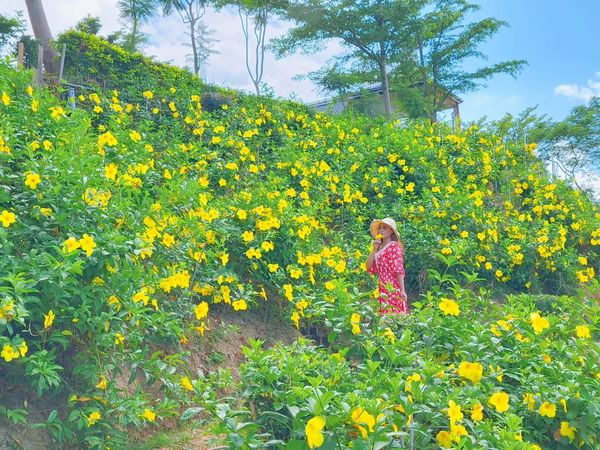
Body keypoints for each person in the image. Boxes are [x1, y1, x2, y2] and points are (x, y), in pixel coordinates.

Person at [365, 217, 409, 315]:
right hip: (382, 285)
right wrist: (374, 249)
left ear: (391, 231)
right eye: (380, 228)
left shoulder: (393, 246)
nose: (381, 230)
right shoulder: (379, 248)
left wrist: (402, 290)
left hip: (392, 285)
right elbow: (368, 267)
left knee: (394, 313)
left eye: (384, 228)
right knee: (385, 314)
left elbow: (398, 269)